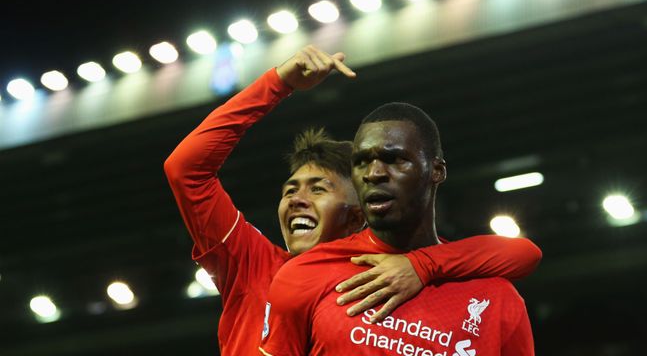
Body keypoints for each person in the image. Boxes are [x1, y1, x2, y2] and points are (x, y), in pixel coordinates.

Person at [164, 46, 541, 356]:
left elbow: (524, 254)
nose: (296, 199)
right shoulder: (259, 267)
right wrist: (277, 83)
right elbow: (186, 170)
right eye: (289, 189)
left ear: (359, 209)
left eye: (318, 188)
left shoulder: (428, 280)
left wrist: (422, 265)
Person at [259, 102, 536, 356]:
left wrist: (421, 264)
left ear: (436, 171)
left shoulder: (497, 298)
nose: (373, 173)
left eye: (394, 159)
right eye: (361, 162)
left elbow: (528, 254)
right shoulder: (305, 274)